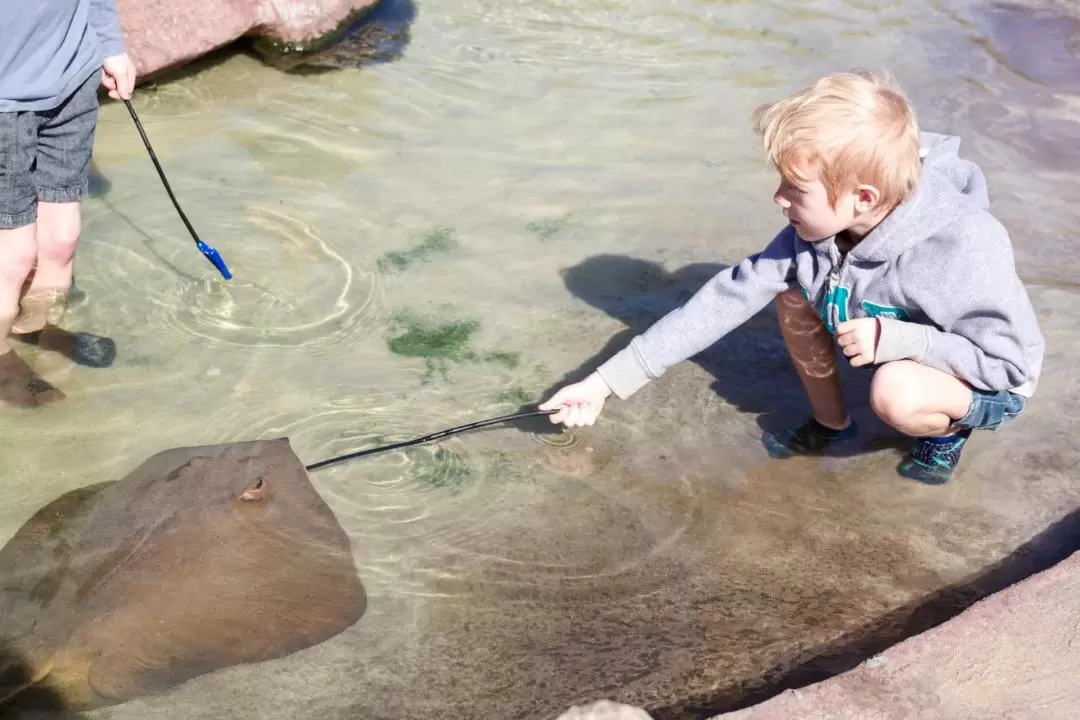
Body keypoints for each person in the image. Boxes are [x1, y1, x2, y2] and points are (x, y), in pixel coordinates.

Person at [539, 69, 1045, 486]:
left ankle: (947, 432)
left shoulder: (962, 246)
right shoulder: (816, 233)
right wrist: (604, 383)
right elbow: (722, 300)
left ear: (862, 198)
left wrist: (899, 339)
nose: (779, 198)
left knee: (898, 392)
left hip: (984, 378)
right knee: (791, 297)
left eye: (795, 189)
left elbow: (1006, 365)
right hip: (888, 336)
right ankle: (831, 422)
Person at [0, 0, 137, 408]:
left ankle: (34, 328)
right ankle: (2, 359)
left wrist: (110, 46)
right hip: (5, 101)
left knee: (61, 239)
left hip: (71, 79)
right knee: (14, 255)